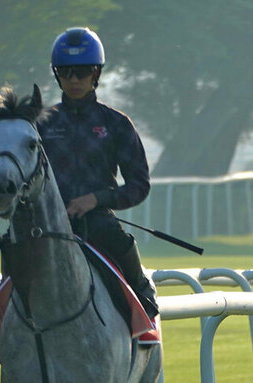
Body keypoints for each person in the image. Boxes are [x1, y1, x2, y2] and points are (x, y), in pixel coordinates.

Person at [39, 26, 158, 318]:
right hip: (48, 224)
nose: (74, 79)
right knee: (15, 249)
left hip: (98, 223)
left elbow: (139, 185)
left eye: (82, 71)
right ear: (57, 75)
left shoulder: (117, 123)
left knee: (122, 242)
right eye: (66, 72)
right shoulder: (41, 124)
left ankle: (143, 300)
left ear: (96, 74)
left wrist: (95, 199)